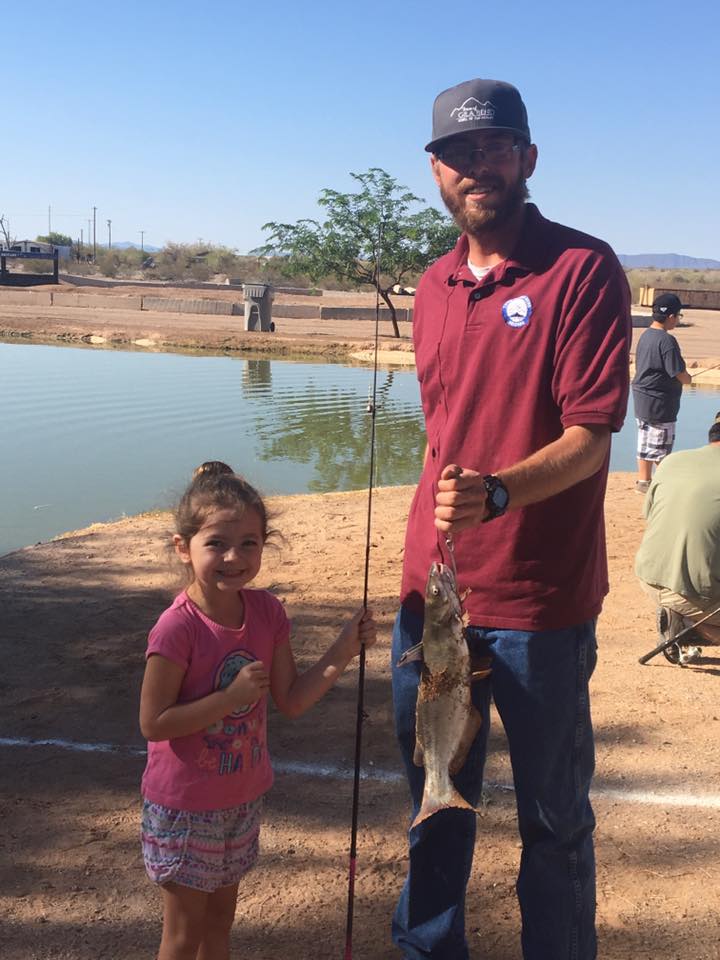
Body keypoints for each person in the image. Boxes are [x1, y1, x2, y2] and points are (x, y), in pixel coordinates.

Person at [391, 78, 631, 960]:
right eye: (458, 153)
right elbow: (442, 431)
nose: (476, 167)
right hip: (433, 600)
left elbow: (590, 439)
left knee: (554, 822)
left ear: (527, 158)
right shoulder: (432, 284)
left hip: (539, 602)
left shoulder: (581, 268)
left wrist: (497, 493)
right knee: (435, 806)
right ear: (436, 170)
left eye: (494, 148)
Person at [139, 461, 376, 960]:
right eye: (216, 543)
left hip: (241, 799)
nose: (234, 557)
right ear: (183, 547)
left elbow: (291, 699)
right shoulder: (177, 628)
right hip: (185, 808)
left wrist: (344, 648)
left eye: (249, 542)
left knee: (219, 925)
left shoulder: (268, 613)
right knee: (183, 936)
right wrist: (227, 700)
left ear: (265, 543)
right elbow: (153, 722)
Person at [635, 413, 720, 662]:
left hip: (650, 578)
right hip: (695, 594)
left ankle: (680, 618)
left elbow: (649, 515)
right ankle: (686, 627)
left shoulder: (672, 461)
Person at [631, 292, 692, 493]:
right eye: (678, 315)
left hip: (642, 399)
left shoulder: (646, 335)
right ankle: (662, 485)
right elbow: (678, 372)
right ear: (671, 316)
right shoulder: (667, 340)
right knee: (661, 448)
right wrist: (688, 379)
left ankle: (643, 481)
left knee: (645, 441)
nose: (678, 319)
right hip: (660, 402)